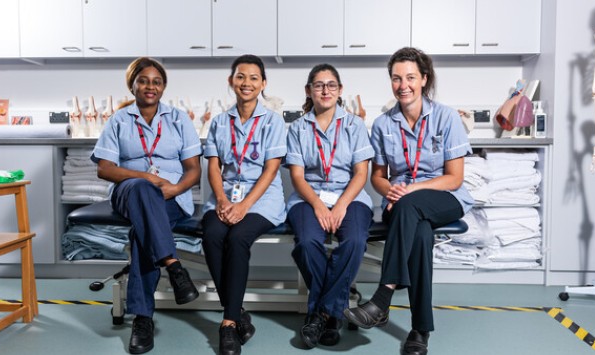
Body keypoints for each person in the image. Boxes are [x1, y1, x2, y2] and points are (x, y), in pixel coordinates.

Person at [343, 47, 474, 355]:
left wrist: (409, 190)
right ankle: (420, 329)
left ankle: (382, 298)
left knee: (409, 206)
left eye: (410, 78)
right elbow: (378, 176)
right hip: (400, 205)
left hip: (445, 198)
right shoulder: (383, 124)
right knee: (421, 234)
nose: (403, 85)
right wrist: (391, 191)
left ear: (424, 79)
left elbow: (454, 178)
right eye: (396, 78)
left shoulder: (446, 117)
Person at [91, 57, 202, 354]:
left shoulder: (179, 119)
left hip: (172, 197)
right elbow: (104, 168)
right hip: (130, 191)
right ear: (133, 85)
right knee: (142, 190)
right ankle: (173, 265)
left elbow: (193, 169)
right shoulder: (118, 120)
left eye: (156, 81)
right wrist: (143, 176)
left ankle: (142, 318)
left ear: (163, 86)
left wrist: (175, 188)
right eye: (143, 80)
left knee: (144, 233)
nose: (150, 86)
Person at [202, 54, 287, 355]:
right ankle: (239, 313)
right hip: (226, 196)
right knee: (211, 235)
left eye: (253, 78)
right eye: (240, 76)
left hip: (262, 199)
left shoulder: (274, 122)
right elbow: (214, 167)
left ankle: (227, 323)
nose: (246, 83)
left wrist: (244, 206)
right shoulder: (219, 122)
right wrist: (223, 201)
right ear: (231, 81)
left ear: (263, 84)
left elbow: (271, 169)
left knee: (237, 238)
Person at [285, 64, 374, 349]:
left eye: (331, 85)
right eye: (319, 85)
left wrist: (340, 206)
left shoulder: (354, 125)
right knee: (307, 242)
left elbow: (361, 173)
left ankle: (321, 313)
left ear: (340, 90)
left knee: (356, 240)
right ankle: (334, 313)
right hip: (308, 197)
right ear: (309, 91)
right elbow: (297, 176)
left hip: (349, 196)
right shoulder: (298, 128)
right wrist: (319, 206)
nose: (325, 90)